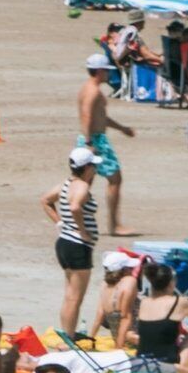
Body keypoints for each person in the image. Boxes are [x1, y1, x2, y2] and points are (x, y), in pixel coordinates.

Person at [46, 148, 106, 337]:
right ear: (87, 167)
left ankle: (66, 334)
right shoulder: (81, 186)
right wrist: (82, 230)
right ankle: (69, 339)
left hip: (65, 242)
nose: (95, 170)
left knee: (69, 295)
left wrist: (60, 222)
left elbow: (45, 200)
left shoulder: (66, 184)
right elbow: (75, 207)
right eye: (94, 166)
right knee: (75, 298)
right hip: (78, 245)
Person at [74, 53, 134, 236]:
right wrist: (89, 142)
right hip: (95, 140)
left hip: (89, 138)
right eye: (107, 71)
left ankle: (77, 222)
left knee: (85, 182)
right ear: (99, 71)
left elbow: (101, 117)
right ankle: (114, 225)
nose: (109, 74)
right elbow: (87, 116)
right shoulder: (93, 91)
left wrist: (122, 128)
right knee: (115, 179)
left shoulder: (87, 88)